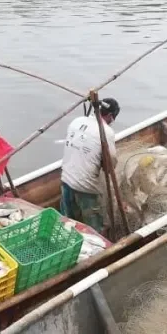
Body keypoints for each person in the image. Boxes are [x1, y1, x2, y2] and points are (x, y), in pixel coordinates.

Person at [60, 98, 120, 234]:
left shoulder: (77, 121)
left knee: (68, 225)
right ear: (110, 116)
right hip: (86, 188)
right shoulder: (106, 132)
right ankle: (100, 252)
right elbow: (110, 165)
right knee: (97, 230)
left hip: (65, 181)